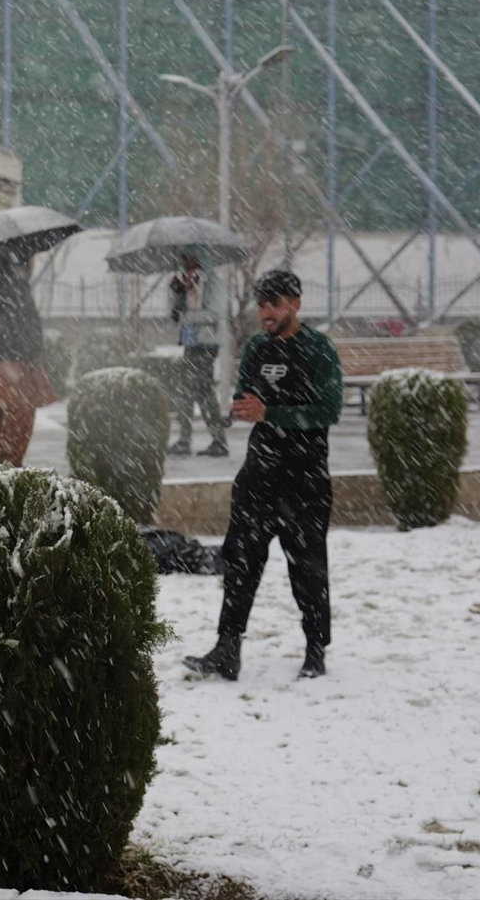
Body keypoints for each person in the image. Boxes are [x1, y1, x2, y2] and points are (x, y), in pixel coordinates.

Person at [183, 270, 342, 682]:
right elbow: (244, 393)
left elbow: (328, 411)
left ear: (296, 304)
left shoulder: (318, 350)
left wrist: (271, 412)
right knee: (241, 561)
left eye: (274, 304)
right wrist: (240, 406)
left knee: (307, 568)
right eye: (262, 304)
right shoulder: (256, 348)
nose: (266, 312)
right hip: (259, 474)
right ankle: (227, 647)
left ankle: (314, 648)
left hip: (304, 477)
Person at [0, 249, 59, 467]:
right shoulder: (10, 283)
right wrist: (7, 333)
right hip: (15, 364)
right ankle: (10, 470)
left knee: (6, 421)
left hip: (6, 363)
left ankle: (5, 467)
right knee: (18, 420)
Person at [167, 253, 229, 457]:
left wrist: (188, 316)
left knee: (201, 392)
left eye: (194, 262)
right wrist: (177, 292)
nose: (189, 266)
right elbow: (175, 316)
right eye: (186, 262)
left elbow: (214, 314)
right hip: (190, 343)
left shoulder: (213, 284)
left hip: (207, 343)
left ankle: (216, 440)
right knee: (188, 391)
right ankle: (189, 440)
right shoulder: (185, 284)